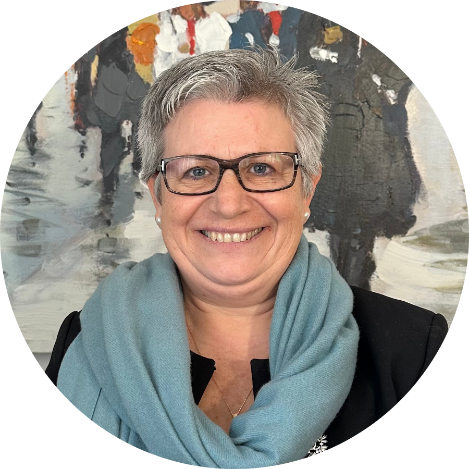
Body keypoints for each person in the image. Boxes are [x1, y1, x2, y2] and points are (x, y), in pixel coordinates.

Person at [45, 47, 448, 466]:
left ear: (307, 190)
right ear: (158, 197)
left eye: (261, 168)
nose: (229, 204)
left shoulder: (412, 351)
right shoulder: (87, 339)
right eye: (196, 170)